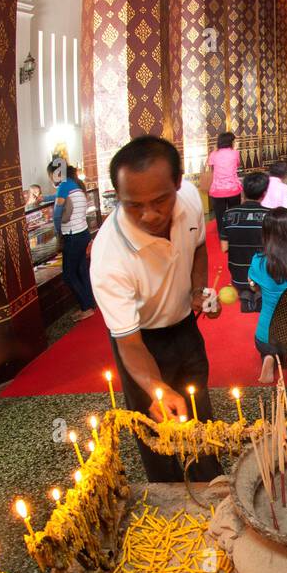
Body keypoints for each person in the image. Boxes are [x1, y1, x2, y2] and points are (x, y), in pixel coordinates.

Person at [88, 135, 222, 483]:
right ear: (118, 197)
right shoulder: (109, 256)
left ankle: (211, 484)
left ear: (178, 183)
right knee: (154, 421)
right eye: (134, 205)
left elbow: (199, 246)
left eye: (160, 200)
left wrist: (197, 288)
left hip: (184, 327)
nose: (149, 214)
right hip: (140, 339)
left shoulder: (190, 200)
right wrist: (156, 387)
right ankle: (167, 492)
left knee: (197, 409)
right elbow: (129, 344)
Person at [248, 208, 287, 383]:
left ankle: (269, 358)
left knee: (267, 346)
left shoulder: (257, 261)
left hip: (265, 336)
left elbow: (254, 287)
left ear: (266, 234)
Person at [48, 159, 95, 322]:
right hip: (83, 234)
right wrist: (44, 198)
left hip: (73, 236)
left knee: (69, 275)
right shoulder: (75, 185)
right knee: (81, 270)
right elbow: (57, 198)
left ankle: (86, 307)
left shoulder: (63, 185)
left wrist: (57, 232)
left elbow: (57, 212)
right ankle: (89, 305)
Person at [221, 171, 271, 311]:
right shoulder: (270, 215)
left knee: (243, 278)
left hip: (238, 276)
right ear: (264, 193)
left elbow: (224, 247)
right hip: (263, 274)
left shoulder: (228, 214)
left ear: (243, 191)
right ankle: (259, 292)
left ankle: (245, 292)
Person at [203, 131, 242, 234]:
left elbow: (210, 166)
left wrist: (216, 150)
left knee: (220, 216)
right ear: (231, 142)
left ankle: (222, 236)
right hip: (233, 190)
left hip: (217, 191)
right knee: (234, 214)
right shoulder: (235, 153)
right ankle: (234, 234)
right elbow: (237, 164)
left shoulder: (213, 154)